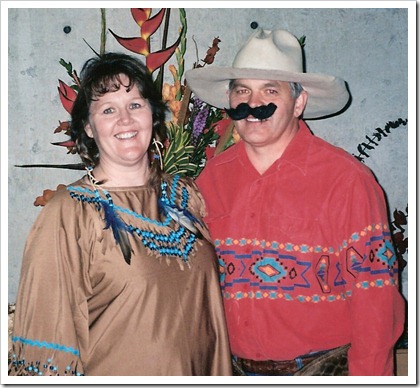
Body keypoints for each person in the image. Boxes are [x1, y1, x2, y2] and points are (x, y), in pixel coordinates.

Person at [185, 28, 405, 376]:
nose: (253, 103)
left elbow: (375, 300)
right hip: (230, 370)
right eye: (242, 90)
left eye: (270, 90)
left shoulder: (346, 181)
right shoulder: (210, 180)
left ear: (298, 102)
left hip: (321, 370)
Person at [9, 52, 232, 376]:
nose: (125, 120)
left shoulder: (185, 196)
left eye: (135, 105)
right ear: (87, 127)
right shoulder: (68, 217)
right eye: (108, 109)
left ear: (153, 116)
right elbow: (45, 355)